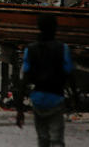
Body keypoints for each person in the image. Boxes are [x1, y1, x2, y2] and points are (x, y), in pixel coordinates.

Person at [16, 14, 73, 147]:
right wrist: (74, 97)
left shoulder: (30, 49)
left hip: (38, 99)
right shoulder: (63, 48)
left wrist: (20, 109)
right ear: (55, 28)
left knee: (42, 137)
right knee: (56, 138)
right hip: (56, 97)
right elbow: (70, 73)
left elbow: (24, 78)